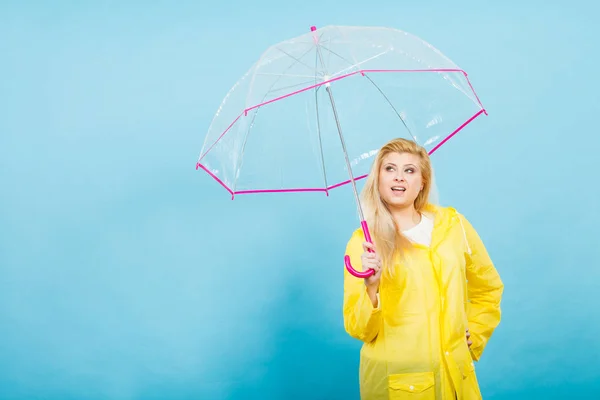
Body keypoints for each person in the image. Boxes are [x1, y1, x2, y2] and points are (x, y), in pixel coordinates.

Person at [342, 138, 503, 400]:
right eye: (390, 169)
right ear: (378, 179)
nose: (399, 178)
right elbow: (360, 329)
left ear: (422, 182)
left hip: (456, 378)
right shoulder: (363, 243)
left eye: (409, 170)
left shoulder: (453, 225)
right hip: (400, 384)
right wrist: (372, 287)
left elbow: (489, 287)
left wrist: (474, 330)